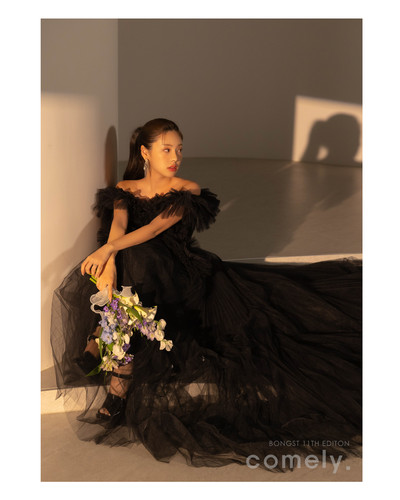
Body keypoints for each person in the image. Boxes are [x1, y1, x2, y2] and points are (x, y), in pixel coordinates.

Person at [51, 118, 362, 472]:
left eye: (179, 149)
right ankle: (115, 350)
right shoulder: (124, 189)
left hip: (179, 277)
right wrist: (107, 263)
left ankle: (102, 340)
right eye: (166, 150)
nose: (176, 157)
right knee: (126, 255)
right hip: (137, 280)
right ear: (145, 153)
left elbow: (152, 229)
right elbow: (117, 228)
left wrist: (108, 252)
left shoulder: (187, 189)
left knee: (139, 252)